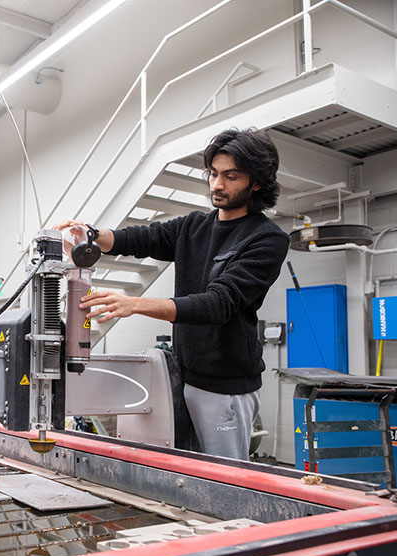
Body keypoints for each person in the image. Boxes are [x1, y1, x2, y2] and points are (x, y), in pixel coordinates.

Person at [54, 128, 290, 460]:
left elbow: (218, 304)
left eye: (230, 176)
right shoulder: (194, 226)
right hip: (180, 377)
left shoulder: (266, 239)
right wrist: (93, 236)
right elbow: (141, 239)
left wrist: (134, 304)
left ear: (256, 183)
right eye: (213, 174)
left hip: (224, 390)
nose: (217, 184)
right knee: (185, 474)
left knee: (225, 481)